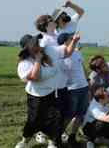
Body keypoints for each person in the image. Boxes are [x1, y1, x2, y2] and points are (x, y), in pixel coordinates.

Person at [35, 14, 81, 145]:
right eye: (50, 20)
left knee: (61, 111)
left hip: (61, 80)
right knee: (50, 111)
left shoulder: (56, 36)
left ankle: (54, 136)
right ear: (45, 25)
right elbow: (41, 58)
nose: (53, 21)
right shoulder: (44, 40)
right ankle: (43, 134)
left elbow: (66, 52)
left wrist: (74, 43)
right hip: (51, 81)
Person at [15, 34, 61, 148]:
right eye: (35, 44)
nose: (38, 45)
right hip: (35, 95)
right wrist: (38, 60)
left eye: (37, 42)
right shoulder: (24, 63)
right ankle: (24, 141)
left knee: (53, 117)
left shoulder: (45, 55)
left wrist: (41, 61)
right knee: (34, 119)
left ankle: (51, 142)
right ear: (28, 48)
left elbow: (54, 70)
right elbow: (35, 77)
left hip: (50, 92)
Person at [57, 33, 89, 147]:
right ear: (65, 42)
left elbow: (82, 67)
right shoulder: (60, 56)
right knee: (69, 115)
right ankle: (57, 137)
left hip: (84, 87)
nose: (73, 40)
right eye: (71, 39)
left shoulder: (77, 52)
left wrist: (87, 80)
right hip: (71, 89)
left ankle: (72, 137)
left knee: (80, 114)